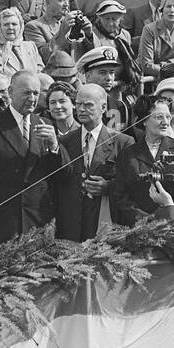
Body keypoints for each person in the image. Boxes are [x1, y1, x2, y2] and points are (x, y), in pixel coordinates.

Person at [0, 70, 59, 249]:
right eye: (26, 92)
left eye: (36, 93)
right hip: (2, 224)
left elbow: (61, 174)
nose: (32, 98)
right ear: (10, 91)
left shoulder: (45, 124)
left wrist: (54, 146)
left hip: (38, 223)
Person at [51, 84, 134, 242]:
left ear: (103, 107)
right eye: (78, 104)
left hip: (106, 224)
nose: (81, 109)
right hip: (72, 228)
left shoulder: (123, 142)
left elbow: (131, 185)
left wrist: (108, 187)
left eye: (88, 105)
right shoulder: (65, 141)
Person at [112, 98, 174, 226]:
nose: (165, 122)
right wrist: (146, 221)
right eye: (159, 117)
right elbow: (121, 197)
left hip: (173, 225)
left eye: (168, 117)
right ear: (144, 120)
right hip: (137, 228)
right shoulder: (128, 154)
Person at [138, 0, 174, 80]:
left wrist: (165, 64)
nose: (172, 10)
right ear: (161, 10)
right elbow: (146, 65)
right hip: (149, 81)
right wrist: (172, 68)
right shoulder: (149, 29)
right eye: (168, 6)